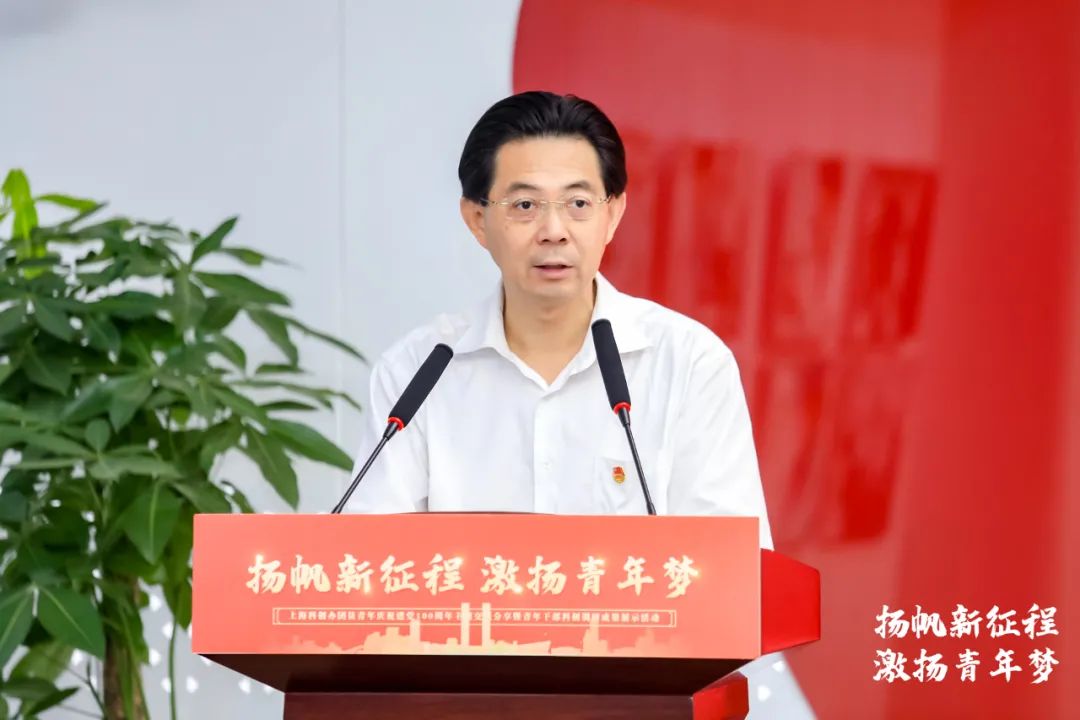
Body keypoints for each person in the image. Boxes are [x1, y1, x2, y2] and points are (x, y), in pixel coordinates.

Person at [347, 91, 773, 549]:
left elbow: (736, 567)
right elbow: (369, 561)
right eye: (525, 206)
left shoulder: (689, 364)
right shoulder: (415, 373)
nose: (554, 231)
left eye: (578, 204)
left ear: (612, 214)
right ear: (477, 220)